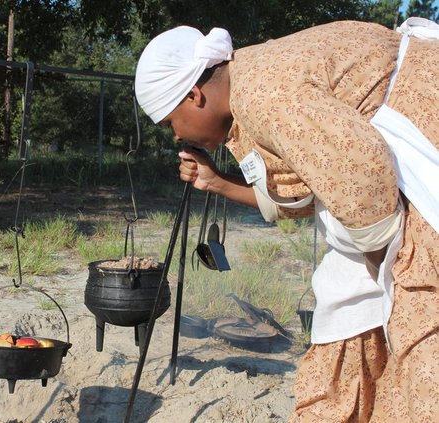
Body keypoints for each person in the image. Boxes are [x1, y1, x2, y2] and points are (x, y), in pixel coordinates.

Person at [134, 18, 438, 422]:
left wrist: (384, 266)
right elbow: (316, 187)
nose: (176, 136)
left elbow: (363, 179)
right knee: (348, 313)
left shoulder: (264, 95)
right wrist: (218, 182)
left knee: (421, 340)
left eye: (170, 123)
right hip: (388, 184)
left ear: (193, 95)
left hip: (420, 150)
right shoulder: (251, 82)